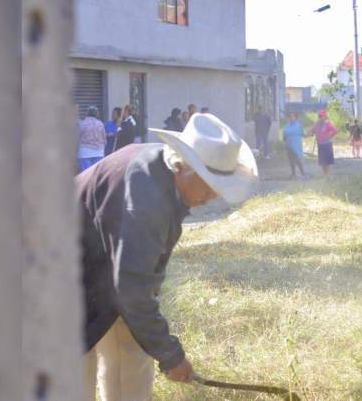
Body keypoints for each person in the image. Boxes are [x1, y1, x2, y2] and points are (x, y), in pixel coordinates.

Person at [78, 113, 258, 401]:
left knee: (131, 351)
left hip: (102, 271)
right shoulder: (145, 197)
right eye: (210, 184)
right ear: (183, 167)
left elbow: (137, 279)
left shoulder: (165, 177)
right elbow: (132, 287)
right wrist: (170, 355)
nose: (213, 196)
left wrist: (158, 345)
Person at [78, 106, 107, 172]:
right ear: (96, 114)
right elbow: (104, 139)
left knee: (86, 174)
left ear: (87, 113)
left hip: (85, 153)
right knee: (97, 174)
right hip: (99, 153)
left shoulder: (82, 123)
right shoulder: (100, 124)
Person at [309, 110, 337, 175]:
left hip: (327, 144)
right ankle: (325, 173)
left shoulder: (328, 123)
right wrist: (311, 133)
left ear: (325, 116)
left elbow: (335, 130)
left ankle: (327, 174)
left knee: (326, 161)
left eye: (322, 116)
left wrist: (329, 136)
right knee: (322, 161)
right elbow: (312, 130)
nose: (321, 117)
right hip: (320, 144)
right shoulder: (317, 123)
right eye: (320, 116)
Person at [282, 112, 308, 180]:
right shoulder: (287, 126)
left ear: (296, 118)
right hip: (288, 146)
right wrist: (285, 142)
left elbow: (303, 134)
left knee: (297, 160)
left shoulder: (298, 125)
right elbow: (284, 136)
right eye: (290, 117)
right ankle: (293, 174)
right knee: (291, 160)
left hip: (296, 145)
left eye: (293, 116)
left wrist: (309, 134)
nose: (291, 118)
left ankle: (303, 174)